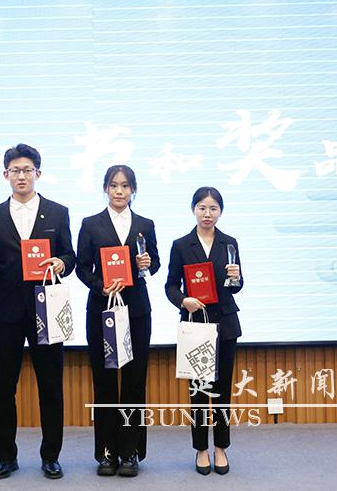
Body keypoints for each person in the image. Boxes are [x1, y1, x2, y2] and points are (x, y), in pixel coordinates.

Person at [0, 144, 76, 480]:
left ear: (38, 173)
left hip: (47, 309)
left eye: (27, 170)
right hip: (6, 312)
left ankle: (51, 456)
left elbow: (71, 256)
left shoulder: (58, 212)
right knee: (4, 387)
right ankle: (6, 456)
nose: (21, 176)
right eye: (15, 170)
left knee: (51, 386)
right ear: (6, 174)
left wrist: (61, 262)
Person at [75, 165, 160, 477]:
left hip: (136, 311)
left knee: (135, 383)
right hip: (102, 311)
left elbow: (155, 263)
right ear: (105, 189)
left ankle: (130, 452)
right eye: (114, 185)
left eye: (125, 185)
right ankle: (107, 453)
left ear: (133, 190)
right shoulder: (91, 224)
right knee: (105, 382)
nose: (119, 191)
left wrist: (147, 263)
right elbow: (81, 267)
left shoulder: (145, 225)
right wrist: (101, 286)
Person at [164, 186, 243, 476]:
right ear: (193, 210)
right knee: (198, 391)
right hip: (196, 323)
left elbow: (236, 286)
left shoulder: (229, 243)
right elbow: (170, 286)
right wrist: (183, 300)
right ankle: (200, 449)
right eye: (202, 208)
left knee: (222, 391)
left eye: (213, 208)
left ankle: (221, 447)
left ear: (220, 211)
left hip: (225, 325)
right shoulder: (181, 245)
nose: (207, 213)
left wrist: (237, 278)